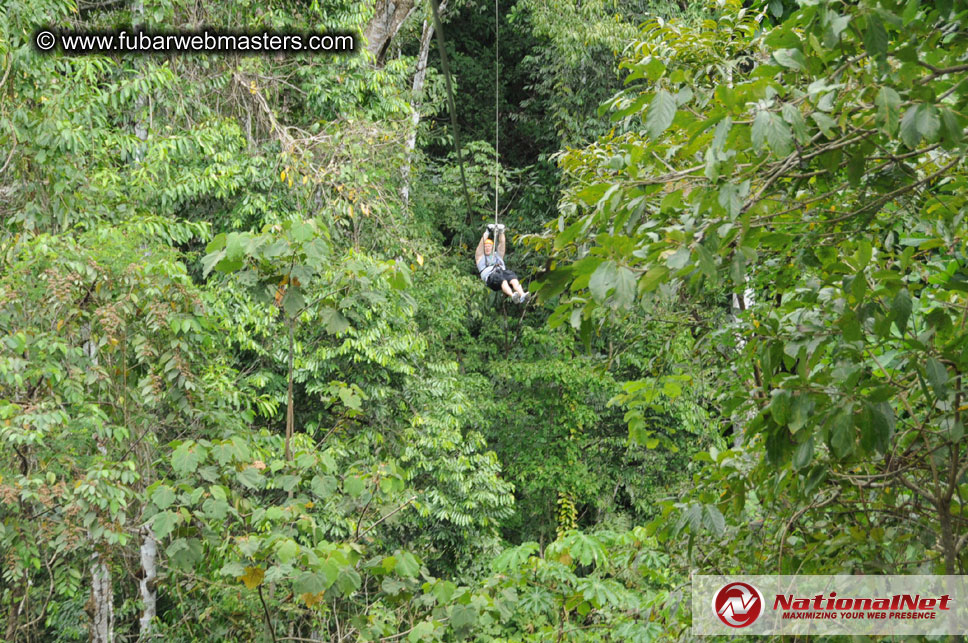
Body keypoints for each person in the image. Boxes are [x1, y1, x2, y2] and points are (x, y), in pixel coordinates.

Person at [475, 224, 530, 303]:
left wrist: (501, 232)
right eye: (485, 246)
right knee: (501, 279)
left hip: (502, 272)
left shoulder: (497, 255)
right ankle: (512, 295)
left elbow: (502, 243)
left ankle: (522, 294)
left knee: (512, 276)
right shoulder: (480, 257)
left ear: (492, 247)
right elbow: (480, 246)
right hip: (491, 277)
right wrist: (487, 232)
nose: (487, 248)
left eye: (489, 246)